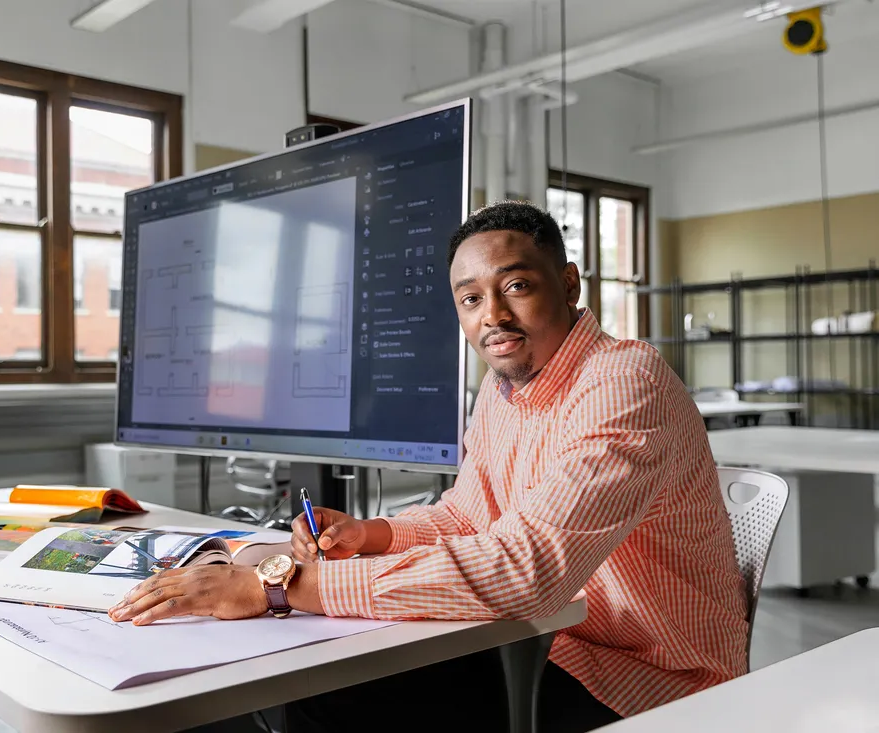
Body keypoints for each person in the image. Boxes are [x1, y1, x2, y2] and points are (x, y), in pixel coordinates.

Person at [109, 201, 749, 732]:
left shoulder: (621, 382)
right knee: (306, 679)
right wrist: (371, 535)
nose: (491, 316)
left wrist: (278, 586)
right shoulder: (505, 390)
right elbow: (471, 515)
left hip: (647, 682)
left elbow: (526, 572)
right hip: (545, 643)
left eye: (517, 286)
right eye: (470, 299)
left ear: (571, 284)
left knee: (325, 693)